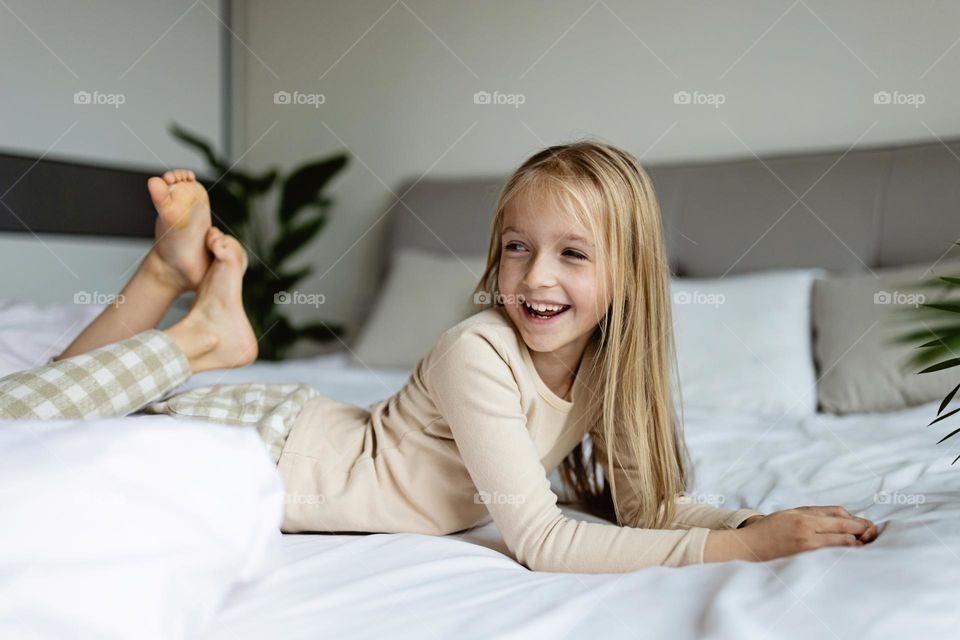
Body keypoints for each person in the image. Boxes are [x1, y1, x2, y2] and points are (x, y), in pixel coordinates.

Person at [0, 145, 878, 573]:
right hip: (262, 446)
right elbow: (539, 541)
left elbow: (647, 507)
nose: (535, 277)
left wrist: (751, 522)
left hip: (294, 429)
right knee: (18, 415)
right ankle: (194, 327)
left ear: (629, 275)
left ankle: (168, 282)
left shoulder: (603, 371)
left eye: (574, 255)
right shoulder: (477, 352)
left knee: (48, 407)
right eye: (516, 249)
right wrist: (739, 553)